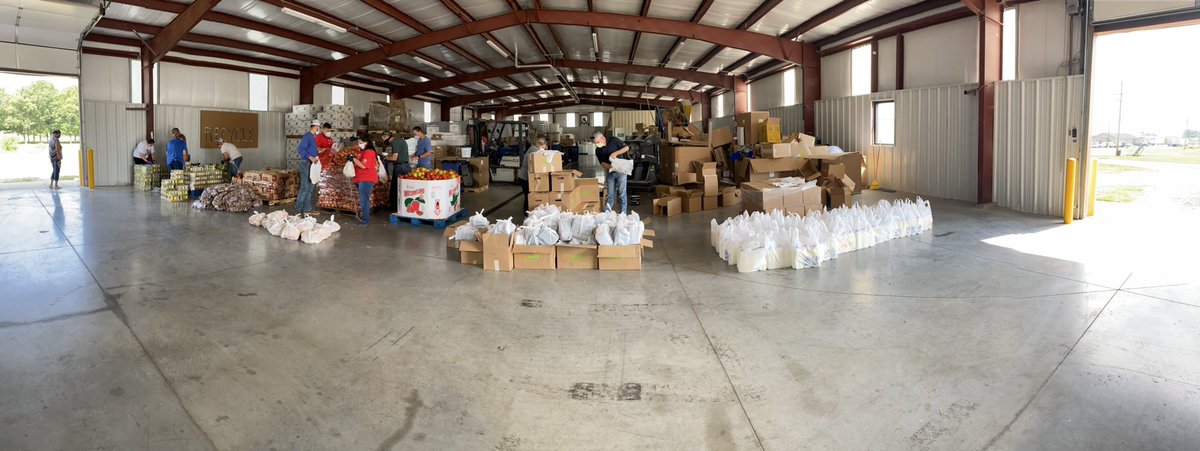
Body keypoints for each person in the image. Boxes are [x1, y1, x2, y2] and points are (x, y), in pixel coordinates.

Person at [594, 131, 630, 214]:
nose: (597, 145)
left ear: (603, 138)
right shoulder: (598, 150)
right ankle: (607, 212)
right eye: (595, 143)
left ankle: (623, 213)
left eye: (598, 142)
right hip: (611, 172)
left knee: (622, 194)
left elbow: (626, 148)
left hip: (621, 171)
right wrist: (612, 167)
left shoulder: (613, 140)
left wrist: (615, 153)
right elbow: (602, 163)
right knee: (610, 194)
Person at [349, 137, 379, 224]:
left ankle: (365, 219)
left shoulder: (369, 152)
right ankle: (364, 216)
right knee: (363, 198)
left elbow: (363, 166)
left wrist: (353, 159)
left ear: (366, 142)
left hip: (366, 178)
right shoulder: (363, 152)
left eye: (360, 142)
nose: (359, 144)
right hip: (361, 178)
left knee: (364, 199)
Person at [295, 121, 321, 214]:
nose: (319, 129)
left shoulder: (312, 137)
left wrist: (318, 152)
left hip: (311, 164)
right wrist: (310, 157)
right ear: (316, 127)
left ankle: (307, 208)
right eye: (319, 127)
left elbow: (310, 149)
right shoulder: (308, 136)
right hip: (306, 164)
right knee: (305, 187)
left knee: (310, 186)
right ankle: (298, 209)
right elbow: (300, 149)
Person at [381, 130, 410, 210]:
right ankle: (396, 206)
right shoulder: (400, 141)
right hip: (404, 165)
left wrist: (385, 158)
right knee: (396, 186)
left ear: (386, 137)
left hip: (400, 166)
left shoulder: (395, 143)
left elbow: (394, 158)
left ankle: (398, 207)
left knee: (398, 187)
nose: (383, 140)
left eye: (383, 138)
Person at [517, 137, 548, 211]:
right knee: (528, 196)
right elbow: (539, 161)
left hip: (527, 177)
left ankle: (527, 211)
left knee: (528, 195)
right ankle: (526, 212)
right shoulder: (534, 150)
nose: (544, 148)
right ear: (540, 145)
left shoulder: (534, 149)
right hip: (525, 178)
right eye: (544, 147)